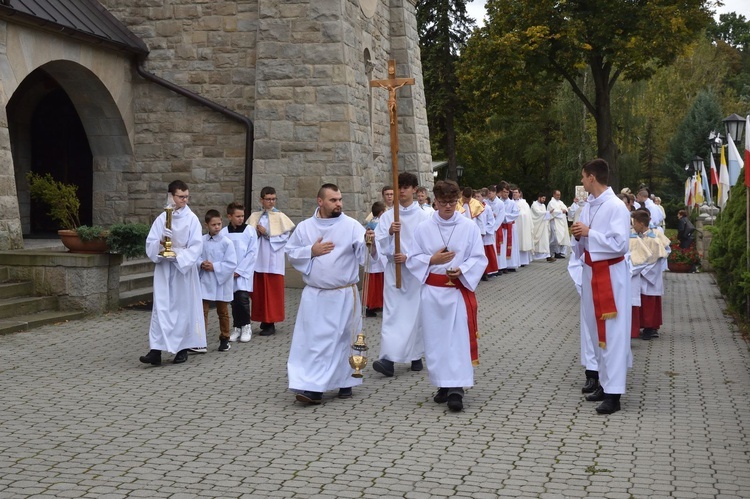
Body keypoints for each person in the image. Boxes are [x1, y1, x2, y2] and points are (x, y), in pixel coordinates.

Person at [286, 183, 377, 404]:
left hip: (344, 294)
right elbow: (290, 252)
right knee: (315, 342)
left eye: (340, 199)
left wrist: (371, 244)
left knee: (343, 340)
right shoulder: (306, 227)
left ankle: (345, 382)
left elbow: (366, 256)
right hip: (315, 295)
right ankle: (313, 386)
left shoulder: (351, 225)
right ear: (320, 201)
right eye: (333, 200)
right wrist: (311, 251)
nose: (339, 204)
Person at [406, 180, 487, 412]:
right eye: (443, 203)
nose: (448, 207)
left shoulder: (468, 226)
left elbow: (478, 257)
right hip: (433, 293)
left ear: (458, 200)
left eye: (452, 202)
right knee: (436, 342)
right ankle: (442, 384)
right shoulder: (423, 228)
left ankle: (456, 389)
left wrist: (463, 269)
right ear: (435, 201)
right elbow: (412, 258)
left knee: (457, 342)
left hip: (457, 292)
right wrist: (432, 260)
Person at [570, 159, 631, 415]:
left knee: (613, 334)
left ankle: (615, 394)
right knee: (596, 333)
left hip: (610, 277)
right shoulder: (589, 206)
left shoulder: (616, 206)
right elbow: (583, 241)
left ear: (592, 177)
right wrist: (578, 236)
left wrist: (589, 233)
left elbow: (620, 245)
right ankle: (605, 385)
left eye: (583, 177)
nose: (582, 182)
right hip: (591, 272)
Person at [140, 180, 205, 366]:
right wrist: (160, 243)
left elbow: (196, 246)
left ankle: (182, 348)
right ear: (171, 196)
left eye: (186, 197)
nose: (184, 200)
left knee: (182, 308)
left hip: (181, 270)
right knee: (161, 308)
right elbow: (150, 242)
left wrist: (177, 254)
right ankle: (156, 350)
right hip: (164, 268)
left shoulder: (192, 219)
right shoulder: (162, 218)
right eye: (180, 197)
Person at [372, 172, 431, 377]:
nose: (402, 191)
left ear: (415, 190)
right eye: (399, 187)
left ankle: (415, 355)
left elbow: (431, 248)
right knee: (392, 314)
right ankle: (388, 358)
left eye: (406, 187)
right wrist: (389, 233)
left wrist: (409, 257)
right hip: (393, 272)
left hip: (415, 273)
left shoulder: (425, 216)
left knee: (414, 315)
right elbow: (377, 244)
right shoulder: (388, 216)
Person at [247, 187, 295, 336]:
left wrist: (267, 234)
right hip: (259, 258)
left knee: (272, 292)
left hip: (273, 260)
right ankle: (262, 319)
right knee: (259, 291)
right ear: (261, 200)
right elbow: (248, 236)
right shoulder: (255, 216)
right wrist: (256, 232)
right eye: (268, 199)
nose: (271, 202)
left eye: (273, 199)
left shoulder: (280, 216)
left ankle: (271, 322)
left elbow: (284, 238)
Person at [198, 209, 238, 352]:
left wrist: (214, 266)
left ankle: (225, 338)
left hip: (221, 280)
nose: (217, 227)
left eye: (219, 224)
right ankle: (200, 339)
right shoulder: (201, 241)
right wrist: (201, 264)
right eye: (213, 224)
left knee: (223, 311)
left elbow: (231, 263)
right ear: (206, 225)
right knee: (202, 311)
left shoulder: (227, 242)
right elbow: (195, 256)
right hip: (205, 280)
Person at [220, 202, 258, 343]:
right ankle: (237, 327)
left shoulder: (250, 231)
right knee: (234, 301)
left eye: (242, 216)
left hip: (243, 272)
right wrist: (229, 269)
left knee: (242, 299)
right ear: (230, 216)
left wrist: (240, 270)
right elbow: (222, 252)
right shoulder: (224, 232)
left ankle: (246, 326)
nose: (241, 219)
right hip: (229, 272)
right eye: (238, 216)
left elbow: (252, 253)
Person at [633, 208, 670, 341]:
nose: (632, 225)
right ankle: (640, 325)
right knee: (639, 300)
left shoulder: (655, 236)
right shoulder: (634, 235)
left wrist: (645, 270)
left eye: (634, 222)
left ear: (641, 223)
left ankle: (650, 327)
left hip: (649, 273)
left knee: (649, 300)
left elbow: (662, 253)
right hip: (637, 272)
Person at [364, 201, 387, 317]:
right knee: (375, 285)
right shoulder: (378, 224)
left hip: (374, 255)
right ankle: (372, 305)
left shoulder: (370, 222)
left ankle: (373, 305)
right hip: (376, 255)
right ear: (381, 212)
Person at [476, 188, 499, 278]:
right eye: (475, 196)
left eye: (479, 196)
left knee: (487, 253)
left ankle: (488, 271)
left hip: (486, 235)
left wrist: (484, 230)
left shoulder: (487, 208)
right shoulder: (473, 207)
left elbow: (491, 221)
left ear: (483, 197)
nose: (477, 198)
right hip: (477, 234)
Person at [497, 181, 520, 272]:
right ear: (501, 192)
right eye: (504, 192)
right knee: (502, 247)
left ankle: (510, 264)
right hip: (501, 228)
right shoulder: (498, 202)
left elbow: (516, 214)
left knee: (511, 245)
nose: (505, 194)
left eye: (507, 192)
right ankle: (502, 265)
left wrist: (504, 216)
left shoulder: (512, 203)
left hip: (510, 227)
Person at [530, 193, 554, 262]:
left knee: (545, 241)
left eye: (544, 199)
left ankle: (547, 256)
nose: (544, 200)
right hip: (537, 225)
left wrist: (548, 213)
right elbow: (537, 213)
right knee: (537, 242)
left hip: (543, 225)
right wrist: (548, 212)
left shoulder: (543, 205)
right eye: (543, 198)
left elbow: (545, 214)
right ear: (539, 198)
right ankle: (534, 255)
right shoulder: (534, 204)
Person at [513, 188, 533, 266]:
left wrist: (521, 215)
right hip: (515, 226)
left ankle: (523, 261)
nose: (514, 194)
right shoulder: (511, 202)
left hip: (524, 226)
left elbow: (527, 214)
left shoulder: (524, 203)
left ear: (519, 194)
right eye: (513, 192)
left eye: (516, 192)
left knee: (523, 241)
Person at [548, 190, 571, 259]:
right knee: (555, 237)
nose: (559, 196)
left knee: (562, 237)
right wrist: (561, 211)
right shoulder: (551, 202)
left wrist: (565, 210)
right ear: (554, 195)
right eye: (557, 195)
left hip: (562, 222)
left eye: (559, 195)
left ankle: (559, 252)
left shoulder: (561, 202)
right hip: (555, 222)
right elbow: (552, 212)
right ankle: (554, 252)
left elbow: (565, 209)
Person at [487, 185, 505, 267]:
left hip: (495, 229)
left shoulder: (500, 203)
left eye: (490, 193)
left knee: (497, 248)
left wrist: (494, 228)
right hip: (487, 229)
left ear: (494, 193)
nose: (488, 195)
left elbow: (501, 217)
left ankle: (499, 266)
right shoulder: (485, 202)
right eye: (488, 193)